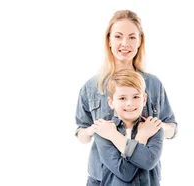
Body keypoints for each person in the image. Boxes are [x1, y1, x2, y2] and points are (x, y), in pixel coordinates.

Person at [74, 9, 178, 185]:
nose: (125, 43)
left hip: (145, 178)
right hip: (102, 179)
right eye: (118, 36)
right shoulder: (90, 87)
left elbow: (172, 129)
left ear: (139, 41)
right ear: (109, 40)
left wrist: (155, 128)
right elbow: (81, 134)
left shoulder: (153, 84)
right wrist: (93, 130)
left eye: (132, 37)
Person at [93, 69, 164, 185]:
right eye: (122, 98)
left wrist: (114, 136)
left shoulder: (154, 127)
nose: (129, 103)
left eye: (136, 97)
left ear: (144, 99)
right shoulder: (103, 131)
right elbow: (124, 172)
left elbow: (148, 162)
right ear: (111, 102)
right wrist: (141, 138)